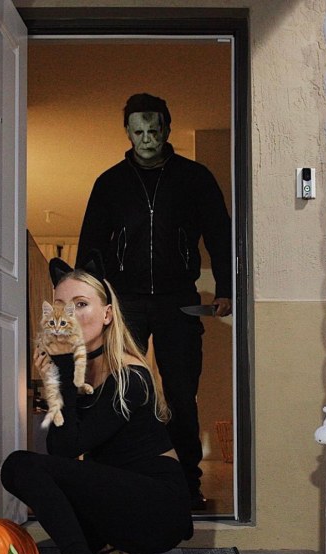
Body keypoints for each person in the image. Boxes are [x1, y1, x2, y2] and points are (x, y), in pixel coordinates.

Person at [1, 255, 193, 554]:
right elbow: (61, 451)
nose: (68, 315)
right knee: (33, 473)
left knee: (20, 465)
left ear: (107, 315)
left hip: (158, 505)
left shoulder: (130, 375)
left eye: (81, 304)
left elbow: (68, 448)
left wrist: (60, 374)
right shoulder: (83, 371)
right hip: (121, 500)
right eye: (61, 306)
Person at [76, 93, 232, 510]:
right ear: (128, 133)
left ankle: (188, 486)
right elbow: (91, 244)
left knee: (181, 396)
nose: (147, 139)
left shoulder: (194, 178)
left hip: (178, 301)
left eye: (154, 130)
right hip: (124, 301)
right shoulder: (110, 183)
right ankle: (107, 478)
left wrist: (225, 288)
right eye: (138, 131)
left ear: (166, 129)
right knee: (114, 389)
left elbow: (220, 234)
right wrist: (87, 299)